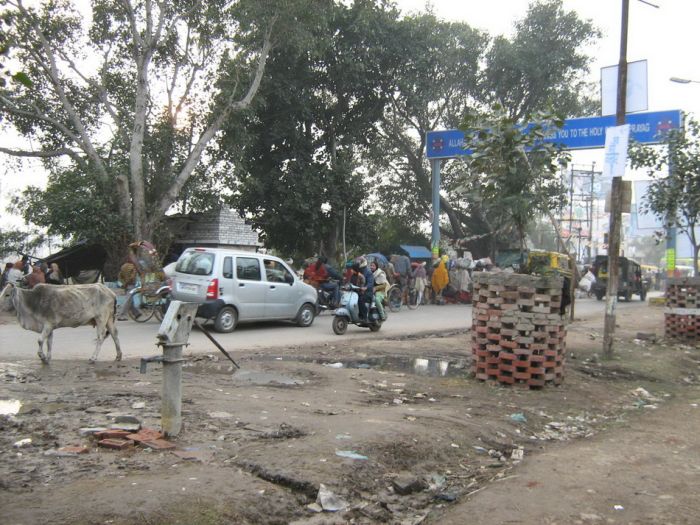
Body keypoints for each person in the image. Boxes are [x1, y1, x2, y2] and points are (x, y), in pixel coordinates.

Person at [356, 257, 374, 322]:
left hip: (368, 292)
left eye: (359, 262)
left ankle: (364, 316)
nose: (358, 264)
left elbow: (370, 283)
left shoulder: (368, 272)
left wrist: (365, 287)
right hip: (359, 291)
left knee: (360, 300)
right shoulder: (358, 272)